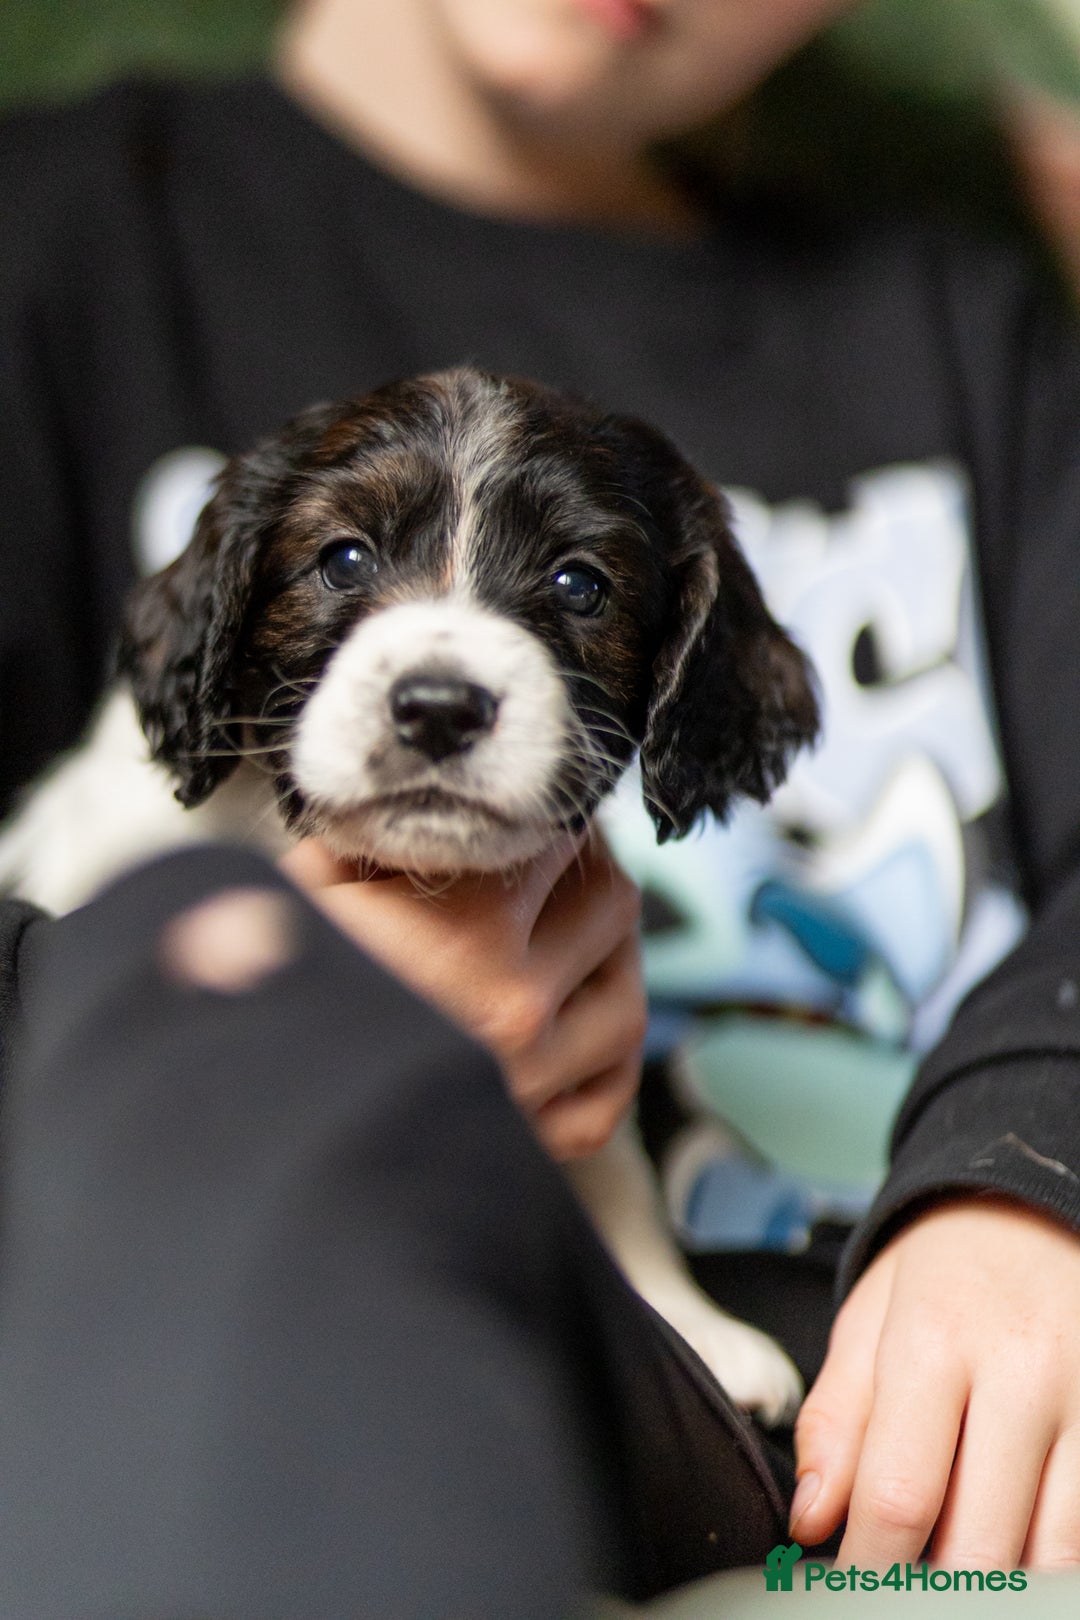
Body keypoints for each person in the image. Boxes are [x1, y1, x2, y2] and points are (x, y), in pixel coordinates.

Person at [4, 0, 1080, 1599]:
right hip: (206, 1282)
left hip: (775, 1396)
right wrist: (246, 1039)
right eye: (347, 564)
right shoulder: (58, 240)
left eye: (573, 585)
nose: (439, 658)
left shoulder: (967, 335)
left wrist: (1033, 1164)